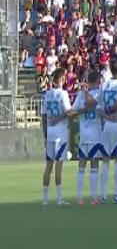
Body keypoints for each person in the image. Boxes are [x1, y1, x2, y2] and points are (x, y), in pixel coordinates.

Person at [41, 69, 76, 205]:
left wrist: (45, 134)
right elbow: (68, 112)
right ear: (62, 79)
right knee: (58, 166)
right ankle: (59, 198)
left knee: (48, 167)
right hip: (60, 134)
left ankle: (45, 199)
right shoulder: (63, 93)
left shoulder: (47, 94)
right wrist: (79, 110)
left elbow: (43, 116)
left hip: (50, 134)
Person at [71, 70, 102, 205]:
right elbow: (73, 112)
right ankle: (89, 198)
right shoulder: (96, 93)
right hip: (92, 134)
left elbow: (91, 104)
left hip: (89, 134)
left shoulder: (88, 94)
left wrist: (84, 93)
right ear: (98, 81)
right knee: (92, 165)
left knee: (83, 166)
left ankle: (84, 197)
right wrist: (81, 110)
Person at [98, 60, 117, 204]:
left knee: (105, 161)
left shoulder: (104, 86)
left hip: (107, 125)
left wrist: (106, 117)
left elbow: (98, 108)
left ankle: (103, 196)